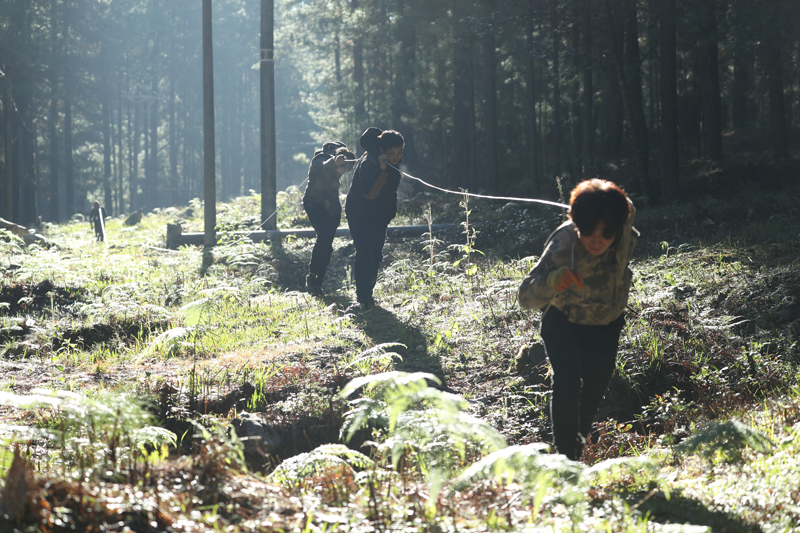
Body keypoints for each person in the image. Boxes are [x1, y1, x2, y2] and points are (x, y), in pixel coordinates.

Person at [517, 179, 638, 461]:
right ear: (576, 223)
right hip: (564, 322)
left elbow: (627, 209)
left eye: (605, 233)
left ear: (618, 227)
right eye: (588, 231)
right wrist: (552, 280)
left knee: (595, 389)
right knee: (568, 383)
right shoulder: (564, 242)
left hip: (607, 323)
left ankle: (577, 442)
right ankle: (566, 457)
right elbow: (525, 297)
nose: (597, 239)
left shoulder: (621, 225)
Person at [344, 128, 405, 310]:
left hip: (379, 216)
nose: (396, 156)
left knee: (376, 253)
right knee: (365, 251)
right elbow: (370, 193)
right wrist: (382, 169)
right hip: (359, 214)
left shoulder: (392, 163)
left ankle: (368, 293)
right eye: (392, 153)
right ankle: (362, 297)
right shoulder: (370, 163)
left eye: (400, 152)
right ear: (382, 150)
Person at [303, 141, 355, 295]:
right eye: (341, 168)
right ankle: (312, 278)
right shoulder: (319, 159)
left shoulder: (337, 169)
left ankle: (317, 283)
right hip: (313, 205)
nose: (341, 172)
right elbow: (322, 167)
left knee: (328, 244)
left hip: (331, 208)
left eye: (344, 170)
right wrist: (334, 162)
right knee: (324, 238)